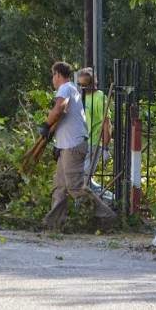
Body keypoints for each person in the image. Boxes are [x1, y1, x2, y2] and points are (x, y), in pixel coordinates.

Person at [41, 62, 116, 230]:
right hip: (69, 145)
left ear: (58, 75)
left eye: (53, 76)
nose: (53, 79)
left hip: (73, 147)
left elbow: (59, 108)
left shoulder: (65, 88)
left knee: (75, 187)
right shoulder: (73, 89)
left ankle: (107, 217)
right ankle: (54, 223)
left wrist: (45, 125)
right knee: (60, 186)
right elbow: (65, 119)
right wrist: (58, 143)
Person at [77, 67, 114, 202]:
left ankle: (106, 201)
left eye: (85, 84)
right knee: (82, 178)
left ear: (93, 83)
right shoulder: (80, 96)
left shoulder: (100, 98)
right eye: (80, 85)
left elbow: (107, 124)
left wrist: (105, 147)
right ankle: (110, 199)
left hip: (93, 143)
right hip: (80, 143)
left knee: (84, 180)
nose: (82, 87)